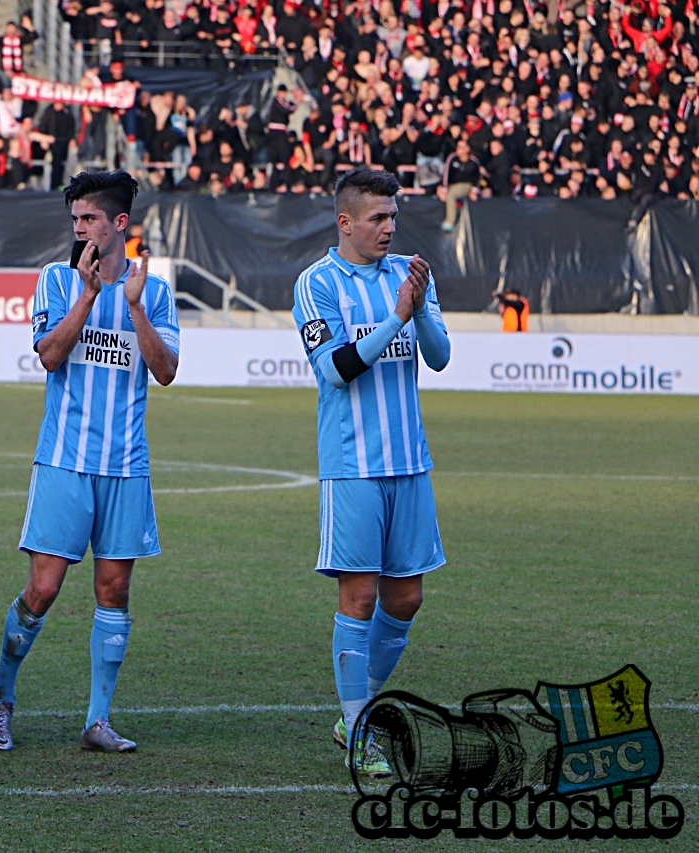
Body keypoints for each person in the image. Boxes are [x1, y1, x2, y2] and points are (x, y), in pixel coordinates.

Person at [0, 171, 179, 754]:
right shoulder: (55, 281)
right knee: (42, 589)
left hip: (126, 466)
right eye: (75, 221)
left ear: (120, 224)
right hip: (65, 461)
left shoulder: (156, 292)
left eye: (89, 219)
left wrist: (136, 310)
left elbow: (165, 370)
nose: (80, 230)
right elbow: (48, 355)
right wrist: (89, 295)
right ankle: (1, 700)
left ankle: (98, 719)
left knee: (114, 590)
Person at [290, 168, 452, 777]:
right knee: (358, 596)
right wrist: (395, 319)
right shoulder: (317, 284)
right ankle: (359, 728)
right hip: (353, 463)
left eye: (394, 216)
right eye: (378, 217)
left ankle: (349, 717)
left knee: (406, 596)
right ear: (346, 221)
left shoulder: (408, 272)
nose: (389, 227)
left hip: (410, 459)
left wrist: (420, 310)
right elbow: (334, 369)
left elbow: (438, 357)